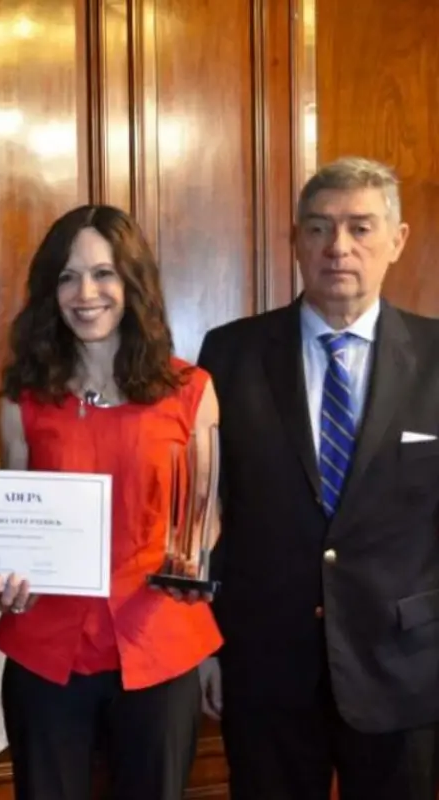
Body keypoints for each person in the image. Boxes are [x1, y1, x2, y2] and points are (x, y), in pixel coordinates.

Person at [198, 156, 439, 799]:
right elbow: (210, 510)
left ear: (397, 239)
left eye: (361, 227)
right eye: (319, 228)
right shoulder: (230, 353)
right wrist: (208, 647)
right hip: (265, 665)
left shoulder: (437, 356)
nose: (338, 246)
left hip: (406, 667)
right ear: (295, 240)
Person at [0, 204, 223, 799]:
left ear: (132, 282)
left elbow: (205, 516)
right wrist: (4, 573)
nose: (85, 293)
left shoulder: (191, 391)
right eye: (67, 277)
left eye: (103, 273)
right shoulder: (23, 399)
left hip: (158, 643)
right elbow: (14, 521)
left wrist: (192, 563)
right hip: (46, 648)